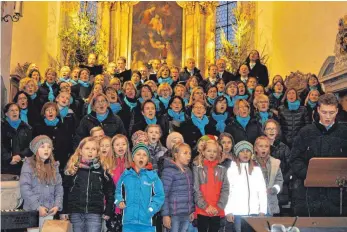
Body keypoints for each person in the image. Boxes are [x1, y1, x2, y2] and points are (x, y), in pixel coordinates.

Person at [291, 93, 347, 216]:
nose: (327, 116)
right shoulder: (305, 132)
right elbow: (295, 159)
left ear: (337, 111)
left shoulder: (344, 132)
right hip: (309, 195)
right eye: (324, 112)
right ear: (318, 110)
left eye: (331, 113)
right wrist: (309, 175)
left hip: (338, 196)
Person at [62, 137, 115, 232]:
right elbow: (65, 191)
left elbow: (110, 192)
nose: (90, 152)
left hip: (94, 212)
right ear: (80, 151)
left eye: (93, 149)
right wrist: (64, 211)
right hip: (75, 212)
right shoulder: (72, 169)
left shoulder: (102, 170)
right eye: (87, 148)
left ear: (97, 152)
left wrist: (108, 210)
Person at [115, 143, 165, 232]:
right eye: (138, 154)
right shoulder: (126, 174)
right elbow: (117, 191)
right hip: (128, 222)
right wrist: (119, 201)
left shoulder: (153, 176)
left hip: (147, 222)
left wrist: (151, 209)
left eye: (144, 155)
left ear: (147, 159)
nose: (141, 157)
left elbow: (160, 195)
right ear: (133, 158)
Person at [20, 135, 63, 229]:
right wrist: (37, 207)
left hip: (49, 211)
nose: (46, 150)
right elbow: (25, 188)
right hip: (32, 212)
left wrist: (57, 205)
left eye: (49, 147)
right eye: (42, 147)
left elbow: (59, 187)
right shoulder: (28, 164)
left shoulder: (54, 166)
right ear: (36, 149)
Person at [224, 141, 267, 232]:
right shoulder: (231, 170)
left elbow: (262, 191)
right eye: (242, 151)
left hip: (254, 213)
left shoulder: (257, 170)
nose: (245, 153)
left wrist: (262, 210)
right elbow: (227, 192)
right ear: (237, 153)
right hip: (237, 213)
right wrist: (228, 211)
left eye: (247, 151)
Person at [193, 139, 229, 232]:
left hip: (217, 211)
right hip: (202, 210)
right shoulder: (197, 169)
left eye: (214, 151)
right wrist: (205, 206)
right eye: (209, 151)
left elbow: (225, 190)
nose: (212, 154)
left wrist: (219, 207)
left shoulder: (222, 170)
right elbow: (196, 190)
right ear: (203, 152)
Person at [161, 142, 194, 232]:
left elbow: (190, 193)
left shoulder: (188, 171)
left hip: (186, 213)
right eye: (185, 153)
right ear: (176, 154)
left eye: (190, 153)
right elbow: (164, 194)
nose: (189, 156)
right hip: (174, 214)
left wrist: (191, 210)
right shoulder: (168, 171)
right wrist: (165, 215)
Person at [33, 102, 73, 172]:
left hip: (60, 162)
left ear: (56, 112)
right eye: (48, 110)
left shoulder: (64, 126)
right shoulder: (38, 127)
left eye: (53, 110)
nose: (50, 112)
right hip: (43, 163)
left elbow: (68, 143)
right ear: (44, 113)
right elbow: (34, 145)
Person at [106, 134, 132, 232]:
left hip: (128, 207)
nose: (121, 147)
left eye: (123, 144)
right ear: (112, 147)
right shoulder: (107, 164)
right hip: (112, 207)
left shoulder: (132, 164)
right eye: (117, 144)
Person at [253, 136, 283, 216]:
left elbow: (279, 180)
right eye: (261, 146)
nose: (263, 149)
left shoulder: (275, 163)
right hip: (255, 204)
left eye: (266, 146)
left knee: (269, 227)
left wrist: (274, 189)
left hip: (270, 203)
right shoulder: (250, 162)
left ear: (269, 149)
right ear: (255, 148)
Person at [1, 103, 33, 175]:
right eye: (12, 110)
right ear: (6, 113)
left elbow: (31, 146)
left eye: (16, 110)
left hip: (22, 165)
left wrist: (20, 156)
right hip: (5, 166)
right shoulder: (2, 127)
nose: (15, 112)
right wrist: (9, 158)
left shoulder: (27, 128)